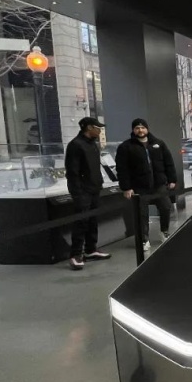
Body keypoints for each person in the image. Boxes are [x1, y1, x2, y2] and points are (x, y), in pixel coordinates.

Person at [115, 118, 178, 251]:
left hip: (159, 184)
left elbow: (168, 162)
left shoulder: (159, 143)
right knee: (142, 214)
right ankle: (144, 239)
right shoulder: (125, 147)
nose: (140, 130)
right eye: (137, 128)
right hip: (139, 186)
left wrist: (172, 179)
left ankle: (164, 232)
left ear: (147, 129)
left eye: (142, 127)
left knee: (166, 207)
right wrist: (126, 187)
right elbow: (122, 169)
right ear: (133, 130)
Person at [64, 116, 112, 270]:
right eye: (97, 128)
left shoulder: (93, 144)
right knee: (81, 222)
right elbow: (72, 172)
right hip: (82, 191)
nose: (100, 130)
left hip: (94, 188)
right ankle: (75, 254)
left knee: (92, 220)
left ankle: (91, 249)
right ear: (89, 128)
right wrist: (77, 192)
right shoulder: (75, 145)